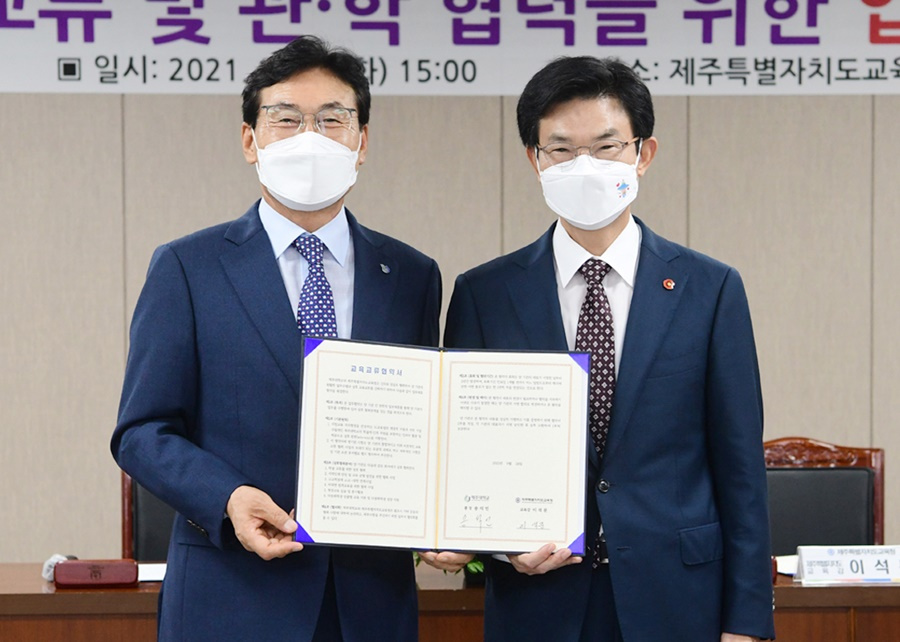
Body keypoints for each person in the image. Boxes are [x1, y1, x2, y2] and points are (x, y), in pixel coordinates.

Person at [111, 36, 440, 641]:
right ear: (250, 140)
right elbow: (141, 432)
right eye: (286, 119)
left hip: (370, 603)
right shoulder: (188, 267)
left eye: (332, 120)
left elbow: (427, 428)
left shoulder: (411, 276)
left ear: (362, 142)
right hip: (232, 598)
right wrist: (227, 496)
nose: (310, 137)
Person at [440, 57, 775, 641]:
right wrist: (496, 545)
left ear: (643, 153)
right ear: (535, 160)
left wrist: (746, 623)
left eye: (606, 146)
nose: (584, 166)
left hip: (677, 599)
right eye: (562, 149)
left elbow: (740, 467)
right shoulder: (484, 293)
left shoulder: (710, 288)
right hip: (537, 600)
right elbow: (464, 454)